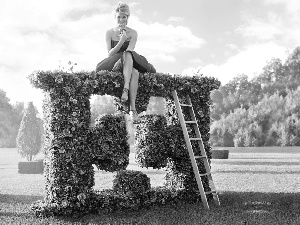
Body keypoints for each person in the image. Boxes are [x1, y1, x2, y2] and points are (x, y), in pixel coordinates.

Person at [96, 2, 156, 122]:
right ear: (115, 17)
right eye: (119, 17)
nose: (121, 19)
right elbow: (110, 53)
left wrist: (126, 39)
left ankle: (132, 109)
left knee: (134, 70)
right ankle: (127, 93)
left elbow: (129, 51)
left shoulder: (133, 33)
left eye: (124, 17)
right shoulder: (109, 32)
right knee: (127, 60)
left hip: (128, 60)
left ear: (128, 17)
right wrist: (121, 40)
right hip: (114, 61)